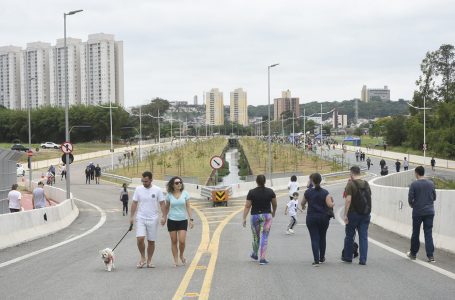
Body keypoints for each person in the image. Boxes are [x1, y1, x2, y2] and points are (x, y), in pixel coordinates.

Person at [130, 171, 165, 268]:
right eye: (143, 181)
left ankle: (149, 260)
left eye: (146, 181)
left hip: (153, 218)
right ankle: (142, 257)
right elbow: (134, 203)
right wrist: (131, 217)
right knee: (140, 238)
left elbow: (162, 203)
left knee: (151, 241)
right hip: (141, 217)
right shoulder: (138, 189)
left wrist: (164, 216)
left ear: (151, 180)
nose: (144, 183)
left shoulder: (157, 190)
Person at [242, 175, 277, 265]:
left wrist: (244, 218)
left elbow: (247, 206)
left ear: (256, 181)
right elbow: (274, 203)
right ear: (265, 181)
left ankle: (254, 254)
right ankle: (262, 258)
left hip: (255, 216)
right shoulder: (270, 191)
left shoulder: (251, 192)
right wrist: (273, 212)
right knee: (264, 237)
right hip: (267, 216)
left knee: (256, 237)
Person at [301, 173, 335, 266]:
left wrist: (303, 206)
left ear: (312, 181)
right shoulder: (325, 192)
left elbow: (302, 202)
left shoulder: (308, 192)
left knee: (314, 238)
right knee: (322, 237)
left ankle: (316, 260)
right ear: (320, 180)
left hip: (311, 218)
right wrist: (333, 202)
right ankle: (322, 257)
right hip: (323, 218)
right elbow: (330, 205)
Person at [342, 166, 372, 265]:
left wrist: (345, 214)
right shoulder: (366, 184)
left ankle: (348, 257)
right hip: (365, 214)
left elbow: (348, 200)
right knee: (363, 236)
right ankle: (363, 259)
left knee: (350, 235)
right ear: (359, 173)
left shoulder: (350, 184)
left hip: (353, 214)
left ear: (351, 173)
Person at [407, 166, 436, 262]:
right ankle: (430, 256)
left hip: (418, 212)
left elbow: (410, 199)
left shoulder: (414, 184)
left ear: (416, 173)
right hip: (430, 212)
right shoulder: (431, 183)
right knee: (428, 233)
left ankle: (413, 254)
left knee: (415, 232)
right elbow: (434, 197)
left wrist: (413, 205)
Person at [163, 176, 194, 267]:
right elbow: (167, 207)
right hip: (172, 220)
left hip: (182, 220)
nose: (179, 184)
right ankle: (175, 260)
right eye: (177, 183)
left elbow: (188, 206)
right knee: (174, 241)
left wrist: (191, 219)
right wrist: (164, 217)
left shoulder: (185, 194)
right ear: (173, 185)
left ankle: (181, 255)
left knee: (182, 241)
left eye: (180, 182)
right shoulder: (169, 195)